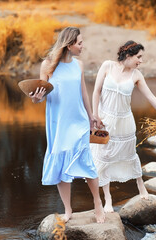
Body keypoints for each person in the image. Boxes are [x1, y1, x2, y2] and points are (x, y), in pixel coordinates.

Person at [29, 27, 105, 223]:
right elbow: (40, 96)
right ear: (69, 45)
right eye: (79, 43)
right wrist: (36, 98)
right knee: (62, 165)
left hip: (78, 121)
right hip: (58, 122)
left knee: (86, 161)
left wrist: (92, 116)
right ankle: (68, 210)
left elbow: (84, 93)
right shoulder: (47, 65)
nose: (82, 46)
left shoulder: (78, 65)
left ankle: (98, 203)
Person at [91, 40, 156, 212]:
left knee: (130, 154)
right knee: (104, 157)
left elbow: (151, 97)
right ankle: (108, 198)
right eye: (139, 57)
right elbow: (96, 91)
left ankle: (140, 185)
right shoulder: (107, 66)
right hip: (104, 120)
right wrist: (95, 115)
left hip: (125, 123)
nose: (141, 61)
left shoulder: (136, 75)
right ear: (128, 55)